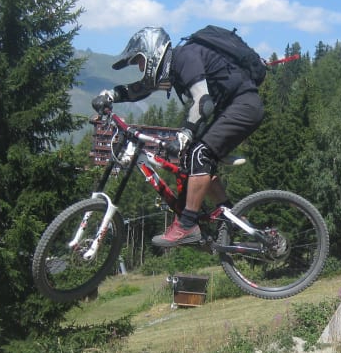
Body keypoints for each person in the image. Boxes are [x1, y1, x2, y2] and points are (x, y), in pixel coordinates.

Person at [91, 26, 264, 247]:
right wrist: (110, 95)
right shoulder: (173, 67)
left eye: (140, 61)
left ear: (152, 52)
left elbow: (203, 102)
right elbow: (139, 90)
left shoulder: (185, 57)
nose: (141, 67)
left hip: (244, 106)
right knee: (194, 158)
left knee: (198, 154)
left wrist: (185, 134)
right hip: (233, 108)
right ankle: (232, 217)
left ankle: (187, 225)